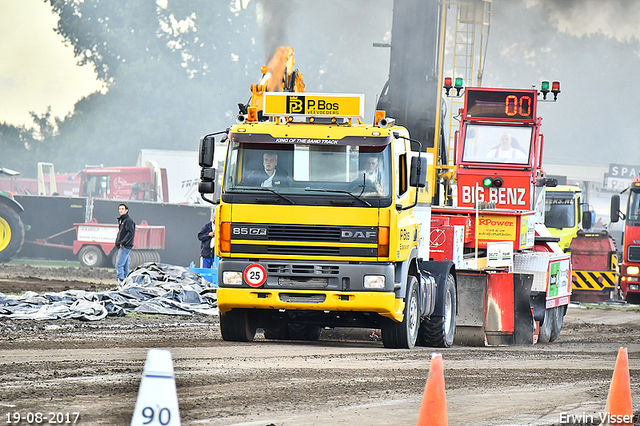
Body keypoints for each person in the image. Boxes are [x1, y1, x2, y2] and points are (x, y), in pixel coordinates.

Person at [115, 203, 136, 284]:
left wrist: (123, 242)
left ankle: (120, 283)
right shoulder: (122, 220)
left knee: (119, 265)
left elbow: (130, 233)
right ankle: (127, 283)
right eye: (120, 209)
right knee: (125, 267)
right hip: (124, 246)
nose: (121, 210)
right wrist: (117, 241)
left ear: (126, 210)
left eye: (122, 209)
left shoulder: (128, 221)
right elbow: (121, 232)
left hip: (125, 246)